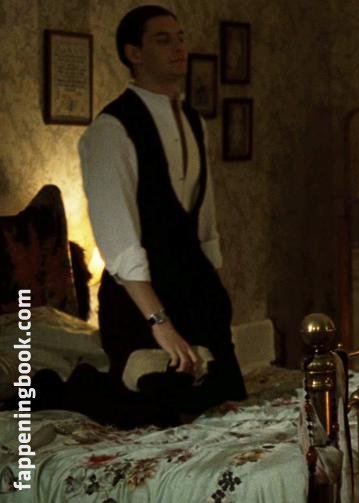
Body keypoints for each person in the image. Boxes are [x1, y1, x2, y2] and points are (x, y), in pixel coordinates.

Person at [69, 5, 246, 427]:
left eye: (180, 38)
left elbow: (204, 220)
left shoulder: (194, 121)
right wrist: (159, 323)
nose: (178, 48)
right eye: (163, 39)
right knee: (159, 410)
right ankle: (71, 386)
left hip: (194, 291)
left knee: (226, 402)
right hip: (142, 303)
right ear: (134, 53)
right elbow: (119, 240)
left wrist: (215, 296)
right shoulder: (111, 129)